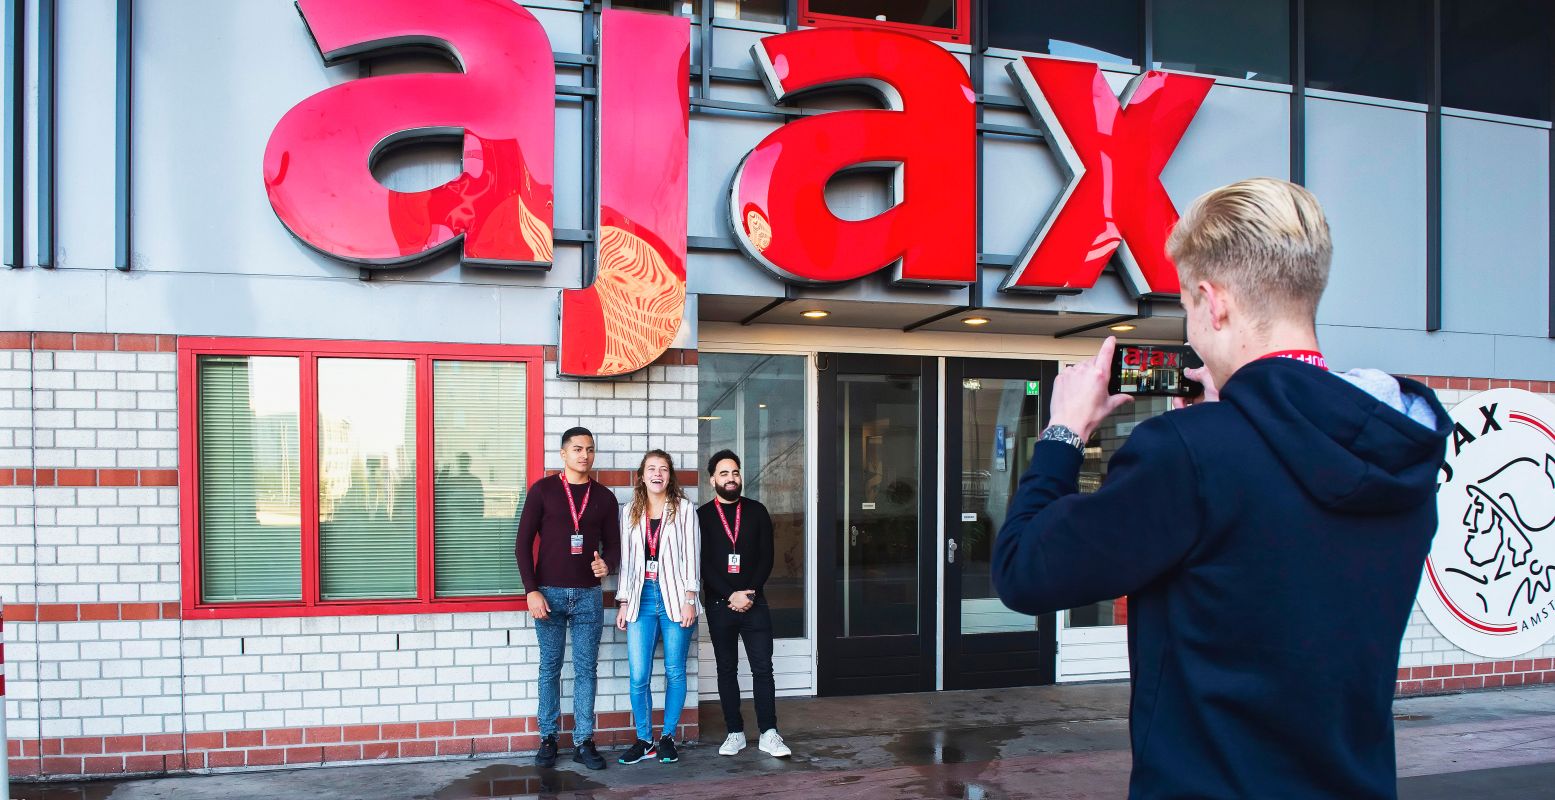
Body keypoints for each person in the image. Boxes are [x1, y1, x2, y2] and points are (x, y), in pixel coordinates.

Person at [992, 178, 1452, 799]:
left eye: (1186, 307)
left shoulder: (1190, 454)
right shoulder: (1397, 447)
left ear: (1213, 302)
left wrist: (1063, 432)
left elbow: (1024, 570)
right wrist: (1236, 412)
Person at [514, 427, 619, 771]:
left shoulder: (603, 497)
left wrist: (609, 564)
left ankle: (584, 741)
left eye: (589, 449)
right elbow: (521, 545)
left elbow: (615, 546)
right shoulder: (543, 491)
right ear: (563, 454)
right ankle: (548, 738)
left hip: (589, 595)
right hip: (549, 595)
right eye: (577, 449)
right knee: (550, 668)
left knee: (587, 669)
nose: (584, 455)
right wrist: (531, 590)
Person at [697, 450, 790, 758]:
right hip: (719, 603)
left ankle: (769, 733)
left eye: (735, 472)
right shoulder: (703, 516)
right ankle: (734, 732)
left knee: (763, 668)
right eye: (724, 473)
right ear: (712, 480)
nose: (731, 478)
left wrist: (748, 592)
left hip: (755, 602)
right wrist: (729, 595)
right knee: (727, 668)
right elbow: (704, 563)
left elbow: (767, 558)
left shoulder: (757, 511)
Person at [614, 450, 701, 765]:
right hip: (641, 597)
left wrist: (691, 597)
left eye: (663, 469)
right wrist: (623, 601)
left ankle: (666, 738)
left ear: (670, 476)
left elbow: (693, 555)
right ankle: (643, 739)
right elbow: (625, 561)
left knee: (675, 670)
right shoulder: (629, 512)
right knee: (639, 674)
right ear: (641, 475)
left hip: (676, 598)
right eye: (651, 468)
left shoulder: (684, 509)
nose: (657, 474)